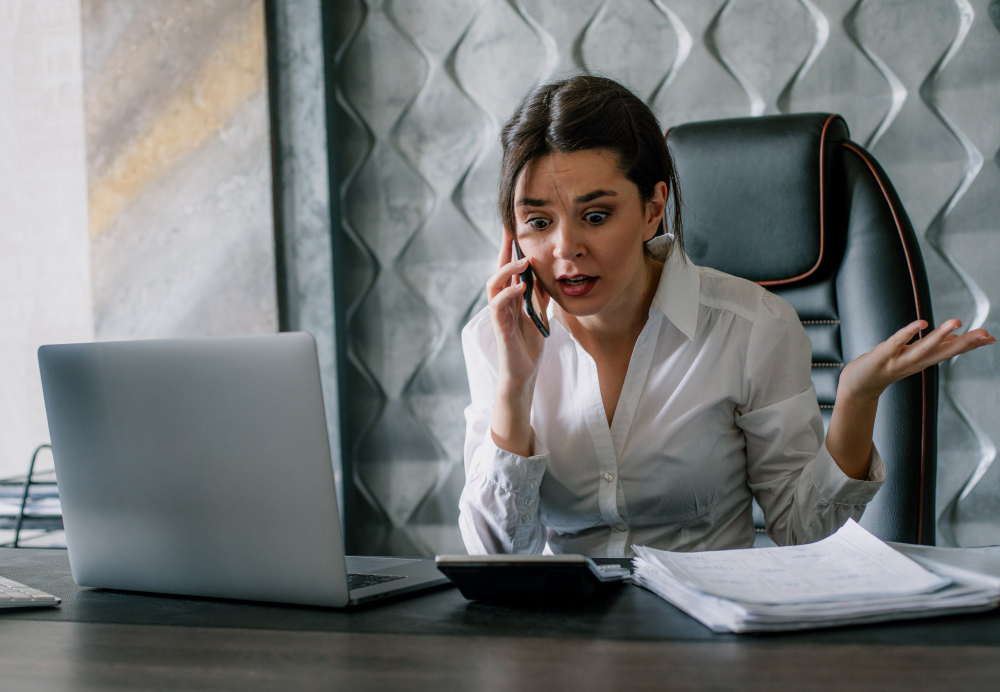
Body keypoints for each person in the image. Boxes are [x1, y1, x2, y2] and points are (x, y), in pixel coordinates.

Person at [458, 75, 995, 557]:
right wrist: (514, 387)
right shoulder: (496, 339)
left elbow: (803, 533)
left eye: (595, 216)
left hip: (710, 641)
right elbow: (497, 556)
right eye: (537, 222)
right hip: (563, 642)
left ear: (651, 209)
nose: (565, 248)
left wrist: (854, 396)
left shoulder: (754, 326)